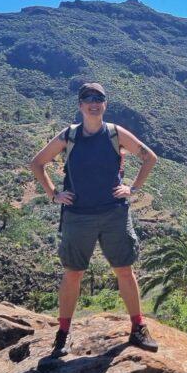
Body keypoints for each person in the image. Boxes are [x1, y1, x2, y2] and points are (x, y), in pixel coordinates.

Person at [29, 82, 159, 356]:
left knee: (124, 270)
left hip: (114, 213)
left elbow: (149, 158)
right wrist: (54, 195)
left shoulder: (115, 133)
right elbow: (37, 163)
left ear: (105, 104)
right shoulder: (69, 136)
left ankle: (138, 327)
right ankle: (63, 334)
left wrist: (133, 189)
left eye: (98, 98)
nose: (93, 103)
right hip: (78, 216)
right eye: (88, 99)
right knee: (73, 273)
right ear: (80, 105)